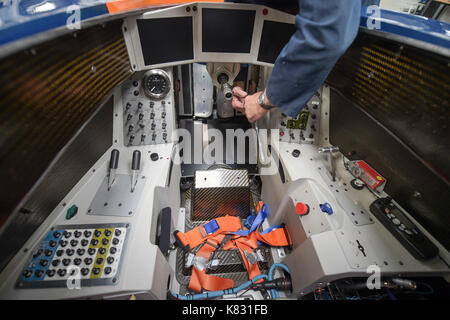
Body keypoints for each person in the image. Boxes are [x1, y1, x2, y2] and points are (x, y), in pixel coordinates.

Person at [230, 0, 380, 123]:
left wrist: (265, 100)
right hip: (306, 36)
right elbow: (242, 7)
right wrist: (239, 74)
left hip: (344, 52)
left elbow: (326, 32)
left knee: (342, 124)